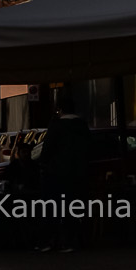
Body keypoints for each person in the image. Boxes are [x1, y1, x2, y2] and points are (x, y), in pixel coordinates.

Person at [37, 108, 91, 252]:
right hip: (77, 175)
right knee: (72, 208)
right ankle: (69, 241)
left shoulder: (56, 127)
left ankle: (49, 241)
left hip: (56, 174)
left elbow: (47, 150)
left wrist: (45, 164)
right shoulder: (82, 127)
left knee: (52, 207)